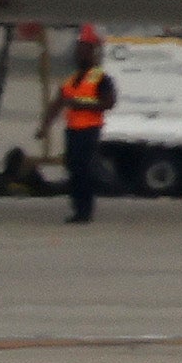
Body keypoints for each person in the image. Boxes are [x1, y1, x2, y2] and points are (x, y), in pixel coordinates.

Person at [57, 40, 115, 225]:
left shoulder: (100, 78)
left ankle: (84, 211)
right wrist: (44, 125)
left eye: (83, 52)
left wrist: (82, 105)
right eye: (78, 52)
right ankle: (77, 208)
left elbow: (109, 103)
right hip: (73, 130)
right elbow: (58, 102)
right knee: (73, 168)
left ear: (92, 55)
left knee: (83, 170)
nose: (80, 56)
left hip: (89, 130)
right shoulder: (71, 79)